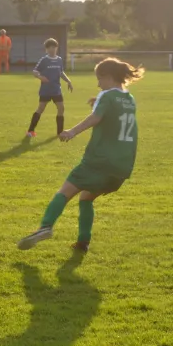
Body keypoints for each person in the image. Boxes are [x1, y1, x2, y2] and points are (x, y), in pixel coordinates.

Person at [17, 58, 144, 253]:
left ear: (108, 77)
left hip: (99, 161)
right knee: (86, 198)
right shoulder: (129, 99)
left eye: (99, 79)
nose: (98, 84)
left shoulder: (106, 95)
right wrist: (98, 102)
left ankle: (45, 227)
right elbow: (112, 112)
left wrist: (72, 131)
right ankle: (83, 242)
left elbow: (96, 117)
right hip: (122, 167)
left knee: (64, 192)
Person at [27, 38, 74, 137]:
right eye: (49, 48)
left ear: (56, 48)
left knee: (61, 108)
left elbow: (61, 72)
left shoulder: (59, 60)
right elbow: (35, 71)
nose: (52, 49)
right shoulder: (44, 60)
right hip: (46, 90)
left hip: (56, 89)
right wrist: (40, 77)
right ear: (46, 49)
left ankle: (60, 132)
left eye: (54, 47)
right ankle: (30, 131)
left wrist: (68, 81)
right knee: (41, 109)